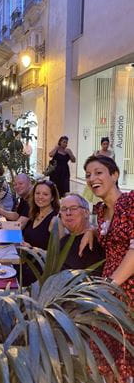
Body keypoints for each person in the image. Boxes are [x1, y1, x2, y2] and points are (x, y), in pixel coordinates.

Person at [81, 155, 134, 383]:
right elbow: (110, 233)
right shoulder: (102, 210)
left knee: (122, 350)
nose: (92, 178)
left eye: (98, 172)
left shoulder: (130, 202)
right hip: (110, 289)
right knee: (106, 350)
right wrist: (91, 230)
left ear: (114, 175)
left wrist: (109, 286)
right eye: (88, 175)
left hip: (126, 289)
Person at [18, 180, 60, 286]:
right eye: (37, 193)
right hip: (25, 263)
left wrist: (31, 249)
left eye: (45, 194)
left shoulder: (55, 221)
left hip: (39, 273)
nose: (40, 197)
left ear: (52, 197)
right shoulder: (35, 214)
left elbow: (57, 256)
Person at [59, 193, 104, 272]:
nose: (68, 213)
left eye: (73, 208)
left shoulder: (97, 240)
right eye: (64, 209)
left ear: (86, 213)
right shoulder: (62, 242)